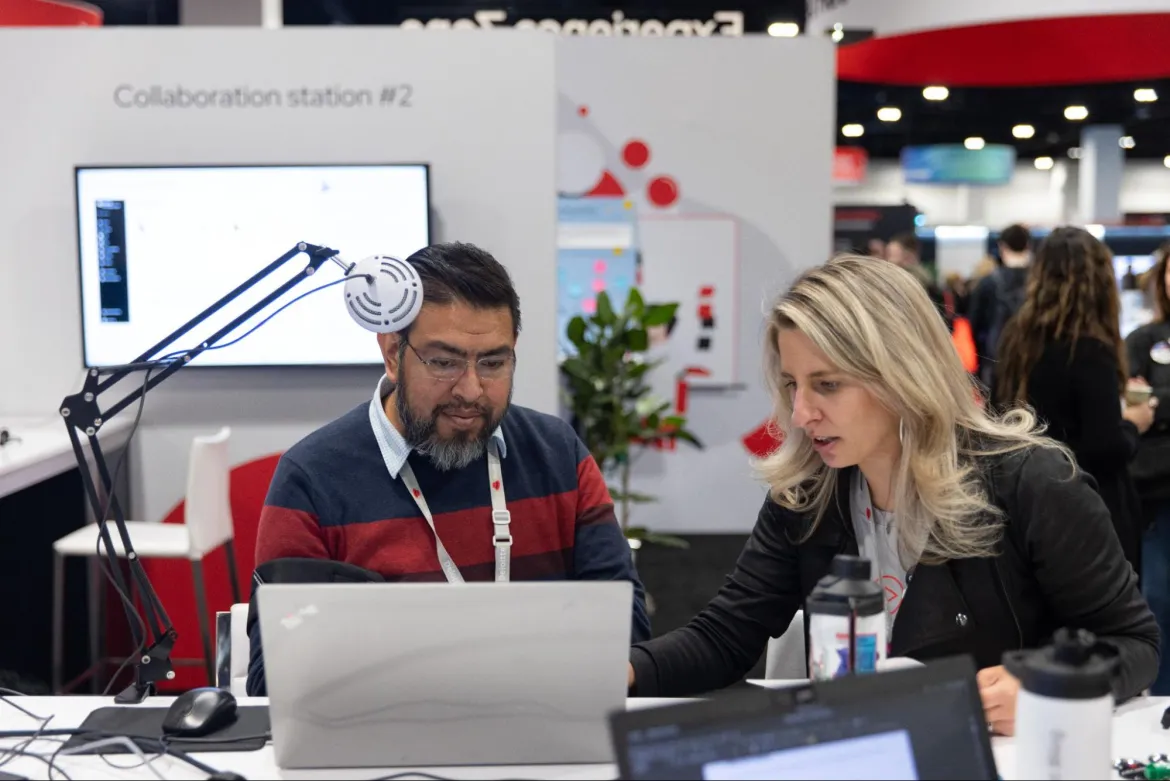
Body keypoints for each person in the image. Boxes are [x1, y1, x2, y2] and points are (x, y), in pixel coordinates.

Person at [626, 254, 1158, 737]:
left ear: (902, 374)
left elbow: (1134, 643)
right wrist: (622, 670)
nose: (802, 412)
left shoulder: (1031, 483)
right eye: (792, 385)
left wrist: (1048, 687)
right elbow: (725, 636)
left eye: (827, 384)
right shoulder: (808, 492)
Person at [247, 241, 651, 695]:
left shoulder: (558, 455)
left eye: (494, 363)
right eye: (444, 363)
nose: (472, 390)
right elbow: (273, 679)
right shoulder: (313, 478)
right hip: (385, 742)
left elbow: (625, 629)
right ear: (392, 353)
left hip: (542, 729)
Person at [995, 227, 1155, 577]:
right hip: (1089, 512)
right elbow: (1104, 448)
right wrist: (1133, 422)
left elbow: (999, 416)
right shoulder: (1090, 349)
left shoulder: (1016, 340)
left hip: (1026, 506)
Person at [1126, 242, 1170, 693]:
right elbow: (1133, 403)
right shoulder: (1143, 339)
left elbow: (1149, 403)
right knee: (1157, 597)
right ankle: (1159, 695)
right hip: (1156, 492)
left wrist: (1159, 403)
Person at [970, 224, 1031, 386]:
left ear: (1002, 246)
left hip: (996, 361)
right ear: (1028, 245)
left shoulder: (989, 282)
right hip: (1031, 360)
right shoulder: (1039, 282)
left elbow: (974, 323)